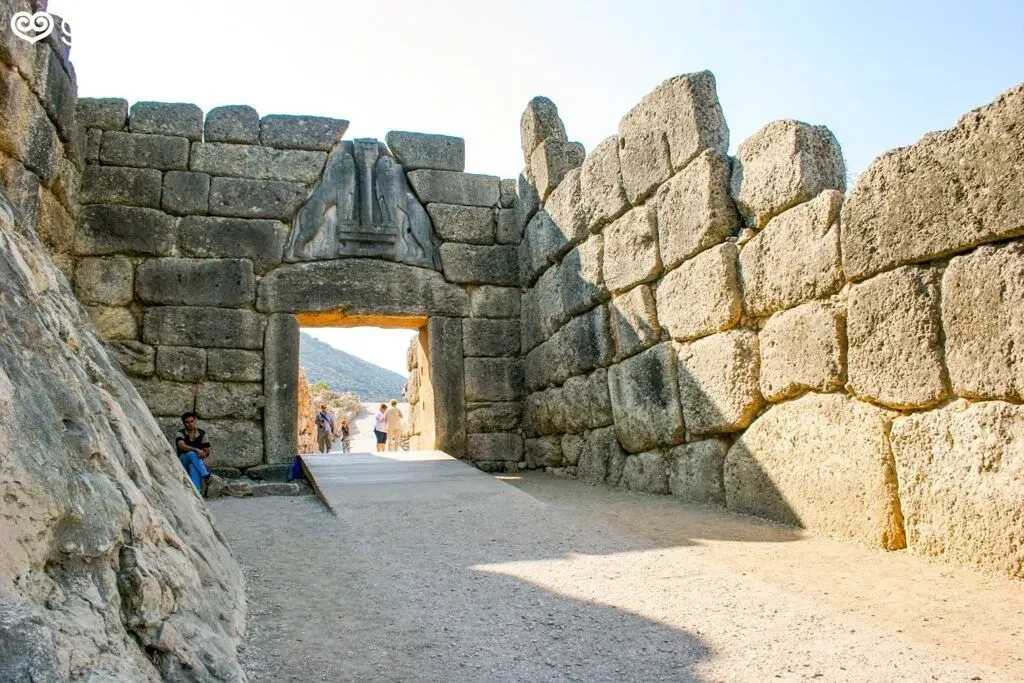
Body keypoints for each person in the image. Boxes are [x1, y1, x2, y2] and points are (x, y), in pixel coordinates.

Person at [175, 411, 211, 493]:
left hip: (196, 461)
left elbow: (207, 451)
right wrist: (196, 449)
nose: (190, 424)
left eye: (192, 421)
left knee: (193, 467)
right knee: (191, 453)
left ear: (195, 421)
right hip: (183, 460)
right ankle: (205, 474)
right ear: (184, 423)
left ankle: (197, 492)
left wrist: (203, 454)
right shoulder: (180, 433)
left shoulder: (202, 434)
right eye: (187, 422)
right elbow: (181, 446)